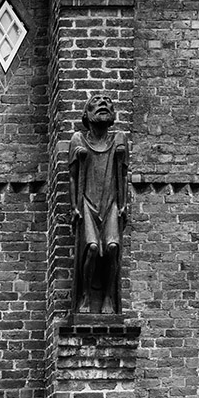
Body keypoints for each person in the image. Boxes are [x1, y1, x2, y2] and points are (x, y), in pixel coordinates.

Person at [68, 94, 128, 314]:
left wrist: (124, 205)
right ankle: (84, 295)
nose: (103, 104)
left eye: (108, 102)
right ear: (86, 114)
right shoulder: (78, 140)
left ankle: (109, 297)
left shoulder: (119, 139)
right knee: (92, 248)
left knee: (112, 247)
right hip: (88, 203)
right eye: (96, 101)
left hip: (110, 202)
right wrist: (74, 205)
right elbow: (73, 177)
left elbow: (123, 175)